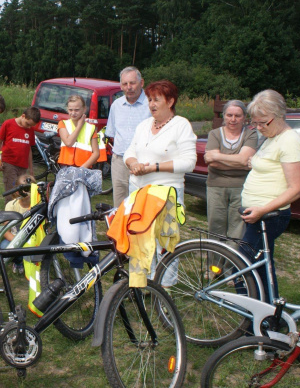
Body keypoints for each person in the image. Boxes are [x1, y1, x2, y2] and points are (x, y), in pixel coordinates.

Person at [124, 80, 197, 286]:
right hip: (138, 189)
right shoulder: (143, 125)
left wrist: (154, 167)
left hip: (166, 192)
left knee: (164, 241)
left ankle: (164, 290)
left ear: (170, 101)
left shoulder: (181, 125)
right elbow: (130, 151)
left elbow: (189, 162)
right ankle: (138, 285)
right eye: (149, 100)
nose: (151, 104)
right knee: (137, 238)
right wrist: (134, 162)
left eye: (157, 100)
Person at [239, 89, 300, 302]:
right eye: (254, 123)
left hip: (269, 216)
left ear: (278, 116)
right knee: (262, 269)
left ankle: (252, 324)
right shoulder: (271, 137)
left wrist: (262, 210)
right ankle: (270, 320)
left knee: (242, 269)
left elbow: (297, 188)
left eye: (262, 123)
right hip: (258, 215)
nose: (258, 128)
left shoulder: (289, 140)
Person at [203, 100, 258, 247]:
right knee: (215, 227)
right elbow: (212, 163)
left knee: (237, 229)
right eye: (229, 115)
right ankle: (214, 267)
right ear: (224, 116)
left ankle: (231, 268)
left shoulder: (250, 135)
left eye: (238, 116)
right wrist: (239, 161)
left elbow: (243, 159)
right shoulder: (215, 134)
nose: (233, 119)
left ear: (244, 117)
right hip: (216, 186)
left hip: (241, 188)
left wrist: (218, 156)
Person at [105, 66, 150, 207]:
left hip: (143, 161)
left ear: (141, 83)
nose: (129, 87)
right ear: (121, 86)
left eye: (132, 83)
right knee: (119, 204)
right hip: (119, 161)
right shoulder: (116, 105)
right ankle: (120, 229)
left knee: (140, 203)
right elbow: (111, 133)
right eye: (125, 84)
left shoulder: (151, 105)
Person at [0, 106, 40, 203]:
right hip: (9, 163)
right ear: (23, 116)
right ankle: (9, 213)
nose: (29, 127)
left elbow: (28, 148)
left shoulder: (30, 129)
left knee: (23, 190)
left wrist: (31, 169)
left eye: (31, 126)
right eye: (28, 124)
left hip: (23, 166)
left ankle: (20, 212)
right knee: (11, 190)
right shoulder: (8, 124)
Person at [57, 95, 106, 169]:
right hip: (66, 167)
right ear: (67, 109)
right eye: (70, 110)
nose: (73, 113)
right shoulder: (63, 123)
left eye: (77, 110)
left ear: (84, 109)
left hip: (84, 168)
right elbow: (69, 143)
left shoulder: (91, 128)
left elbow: (96, 153)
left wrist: (82, 168)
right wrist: (79, 126)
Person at [3, 174, 36, 274]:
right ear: (17, 191)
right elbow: (5, 231)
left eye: (30, 190)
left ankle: (32, 262)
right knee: (5, 247)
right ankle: (18, 261)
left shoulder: (37, 205)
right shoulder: (11, 206)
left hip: (33, 240)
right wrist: (18, 241)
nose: (28, 193)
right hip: (15, 237)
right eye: (25, 190)